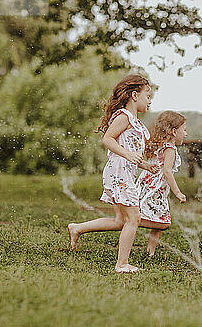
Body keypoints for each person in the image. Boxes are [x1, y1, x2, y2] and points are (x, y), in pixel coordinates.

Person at [67, 74, 157, 273]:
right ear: (135, 95)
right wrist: (128, 155)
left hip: (123, 172)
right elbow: (108, 139)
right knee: (134, 219)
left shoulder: (134, 122)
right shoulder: (124, 117)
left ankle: (77, 228)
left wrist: (146, 166)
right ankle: (122, 264)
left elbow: (131, 152)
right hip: (119, 173)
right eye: (147, 96)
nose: (150, 101)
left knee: (120, 221)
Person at [136, 111, 187, 257]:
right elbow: (167, 172)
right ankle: (132, 223)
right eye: (183, 130)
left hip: (150, 186)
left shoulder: (161, 145)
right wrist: (177, 192)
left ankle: (150, 253)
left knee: (160, 220)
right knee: (163, 223)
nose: (186, 133)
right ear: (173, 131)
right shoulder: (169, 149)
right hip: (154, 189)